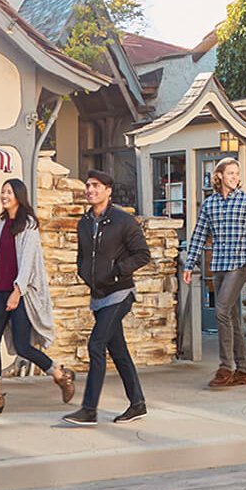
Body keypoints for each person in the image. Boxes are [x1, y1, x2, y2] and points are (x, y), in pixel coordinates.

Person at [0, 178, 76, 416]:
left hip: (21, 294)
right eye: (2, 191)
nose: (4, 195)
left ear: (19, 195)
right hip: (0, 291)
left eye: (8, 192)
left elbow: (28, 262)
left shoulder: (28, 224)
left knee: (23, 347)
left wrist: (17, 293)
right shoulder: (2, 223)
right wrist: (3, 291)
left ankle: (59, 375)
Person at [63, 170, 151, 426]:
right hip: (98, 295)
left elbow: (142, 254)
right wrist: (85, 275)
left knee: (96, 345)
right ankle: (138, 404)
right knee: (118, 350)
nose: (90, 189)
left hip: (120, 292)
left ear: (108, 190)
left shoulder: (123, 221)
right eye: (88, 185)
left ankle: (89, 409)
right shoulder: (84, 222)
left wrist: (117, 271)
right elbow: (82, 258)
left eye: (96, 185)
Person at [184, 157, 246, 389]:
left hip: (239, 265)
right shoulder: (209, 204)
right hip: (219, 266)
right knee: (231, 317)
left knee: (220, 311)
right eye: (230, 173)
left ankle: (225, 367)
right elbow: (199, 235)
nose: (235, 177)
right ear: (219, 176)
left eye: (237, 173)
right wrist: (189, 264)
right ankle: (244, 370)